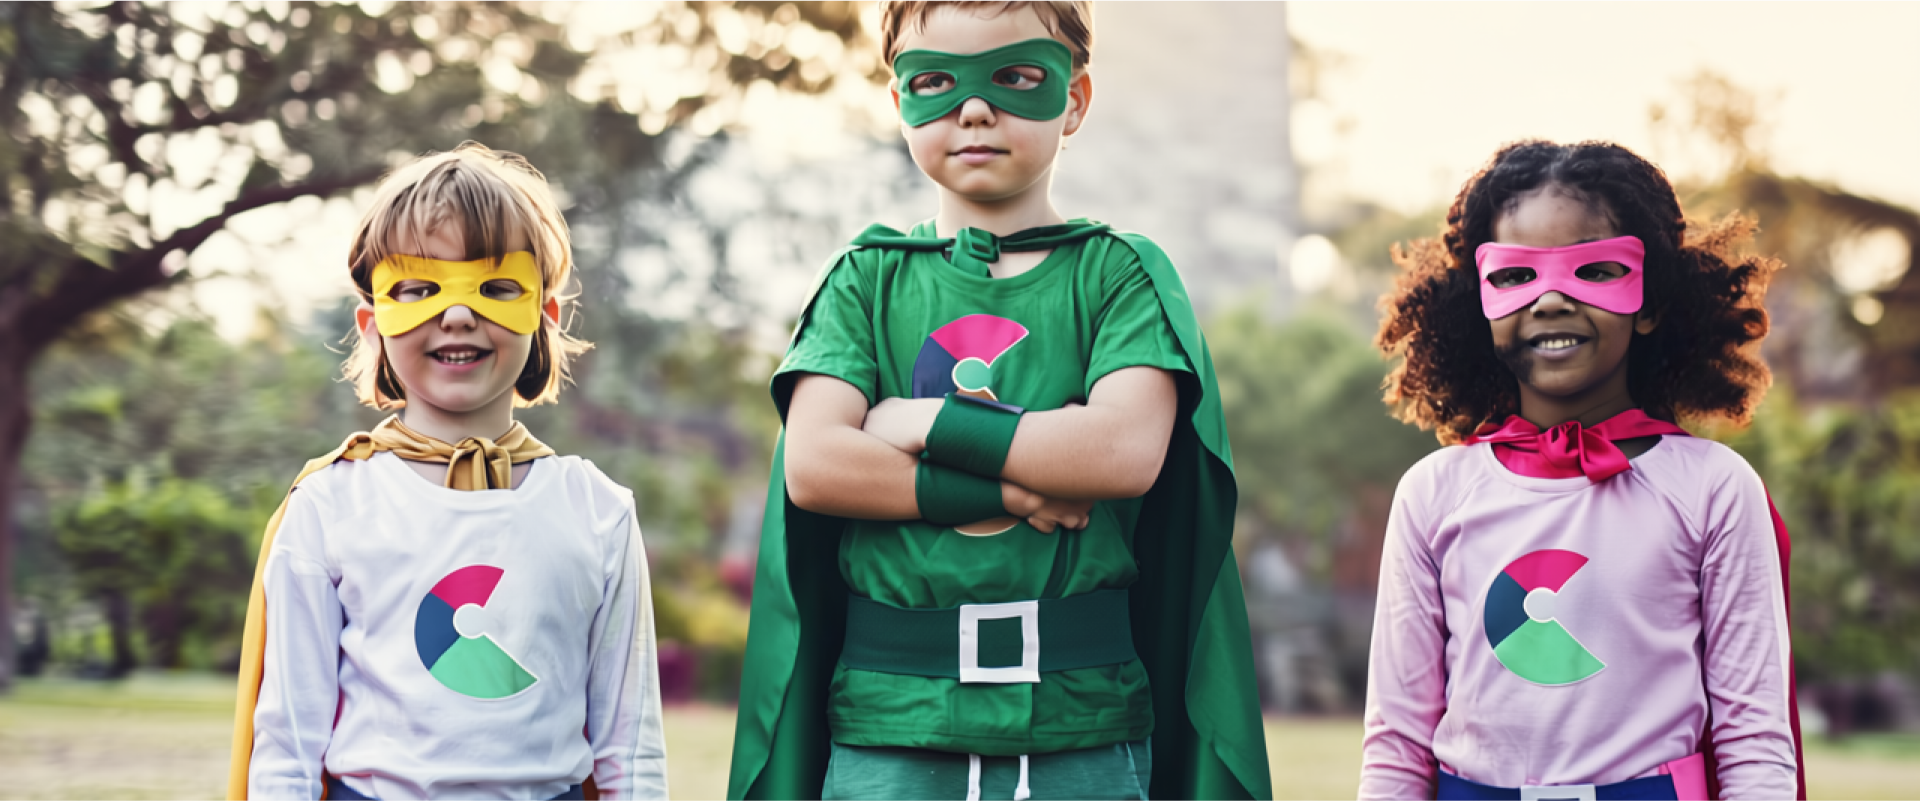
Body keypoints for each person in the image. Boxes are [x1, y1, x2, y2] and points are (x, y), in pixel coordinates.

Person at [725, 1, 1271, 800]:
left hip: (1084, 722)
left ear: (1074, 99)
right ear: (899, 103)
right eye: (936, 82)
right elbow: (816, 463)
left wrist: (920, 421)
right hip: (892, 723)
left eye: (1015, 78)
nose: (974, 109)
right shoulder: (865, 278)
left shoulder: (1118, 273)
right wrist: (1008, 485)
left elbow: (1122, 451)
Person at [1363, 140, 1806, 801]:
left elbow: (1754, 740)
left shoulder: (1713, 487)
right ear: (1477, 305)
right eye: (1516, 276)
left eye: (1593, 270)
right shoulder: (1433, 494)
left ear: (1650, 302)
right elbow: (1396, 745)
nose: (1549, 301)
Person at [226, 144, 667, 801]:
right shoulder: (329, 504)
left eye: (495, 287)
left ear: (543, 316)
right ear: (373, 326)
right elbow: (287, 747)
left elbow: (630, 748)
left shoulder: (598, 510)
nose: (458, 314)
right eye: (419, 288)